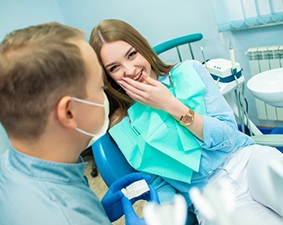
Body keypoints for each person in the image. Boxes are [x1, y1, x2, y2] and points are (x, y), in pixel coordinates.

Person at [89, 19, 283, 225]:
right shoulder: (122, 125)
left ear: (142, 46)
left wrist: (170, 105)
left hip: (246, 160)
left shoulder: (190, 71)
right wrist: (165, 212)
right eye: (114, 67)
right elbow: (158, 181)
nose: (129, 69)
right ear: (108, 76)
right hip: (209, 195)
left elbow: (228, 137)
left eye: (132, 54)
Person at [0, 22, 152, 225]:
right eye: (100, 87)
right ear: (69, 112)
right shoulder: (65, 217)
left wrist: (98, 211)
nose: (105, 95)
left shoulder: (2, 167)